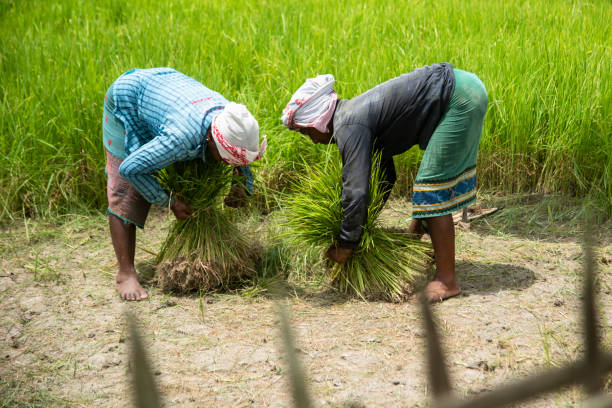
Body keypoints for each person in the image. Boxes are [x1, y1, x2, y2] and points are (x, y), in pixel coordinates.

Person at [281, 63, 487, 301]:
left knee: (430, 186)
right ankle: (416, 237)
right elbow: (385, 178)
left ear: (317, 122)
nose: (314, 141)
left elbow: (355, 191)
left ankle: (447, 281)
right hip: (460, 88)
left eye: (308, 133)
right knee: (427, 185)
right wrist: (363, 226)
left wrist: (347, 244)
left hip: (458, 97)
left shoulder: (348, 126)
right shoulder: (353, 117)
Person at [103, 67, 266, 301]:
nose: (230, 163)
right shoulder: (179, 139)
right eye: (226, 157)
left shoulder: (233, 118)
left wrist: (242, 183)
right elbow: (129, 168)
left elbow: (242, 152)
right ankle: (125, 273)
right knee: (126, 190)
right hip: (127, 101)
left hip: (165, 99)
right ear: (212, 140)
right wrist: (169, 201)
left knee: (201, 169)